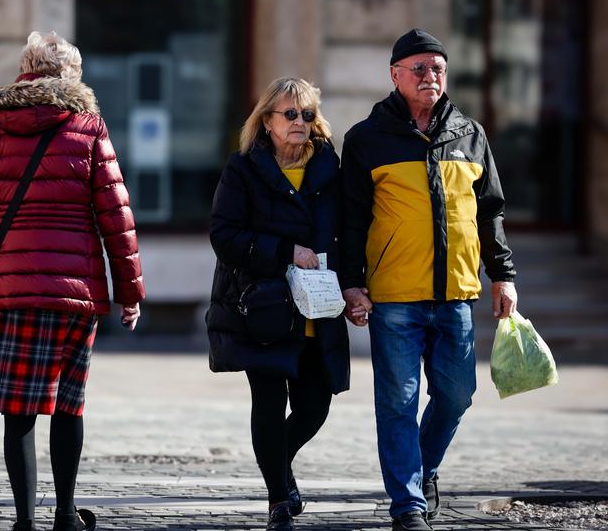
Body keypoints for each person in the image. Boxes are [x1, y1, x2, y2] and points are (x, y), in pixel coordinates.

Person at [0, 31, 145, 531]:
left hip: (10, 289)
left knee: (20, 410)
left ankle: (24, 520)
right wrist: (130, 291)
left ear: (25, 69)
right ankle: (64, 514)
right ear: (70, 75)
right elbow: (115, 215)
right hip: (76, 291)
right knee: (68, 405)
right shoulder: (88, 127)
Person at [340, 29, 518, 531]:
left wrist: (502, 276)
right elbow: (350, 220)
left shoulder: (470, 134)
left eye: (437, 68)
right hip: (394, 296)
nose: (430, 76)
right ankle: (408, 507)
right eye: (418, 68)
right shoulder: (366, 139)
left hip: (457, 294)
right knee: (397, 401)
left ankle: (420, 470)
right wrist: (351, 283)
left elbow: (492, 214)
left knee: (457, 394)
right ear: (394, 75)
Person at [206, 77, 350, 531]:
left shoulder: (330, 167)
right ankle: (277, 501)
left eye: (307, 114)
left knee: (316, 405)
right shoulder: (243, 169)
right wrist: (286, 251)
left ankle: (278, 466)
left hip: (319, 309)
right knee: (267, 404)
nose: (299, 123)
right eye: (289, 114)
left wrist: (355, 288)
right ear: (266, 121)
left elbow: (347, 236)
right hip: (264, 311)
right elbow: (224, 237)